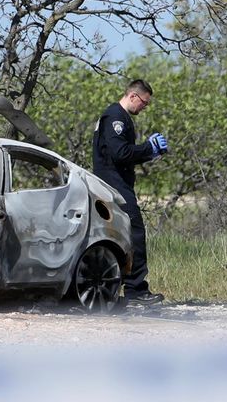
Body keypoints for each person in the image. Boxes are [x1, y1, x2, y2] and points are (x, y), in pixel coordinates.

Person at [92, 79, 168, 305]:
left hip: (116, 183)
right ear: (133, 96)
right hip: (115, 185)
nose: (144, 108)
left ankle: (114, 286)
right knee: (134, 233)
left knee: (119, 235)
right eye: (144, 103)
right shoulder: (115, 117)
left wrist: (151, 153)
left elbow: (123, 155)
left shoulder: (119, 117)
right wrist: (148, 147)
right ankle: (136, 290)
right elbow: (119, 154)